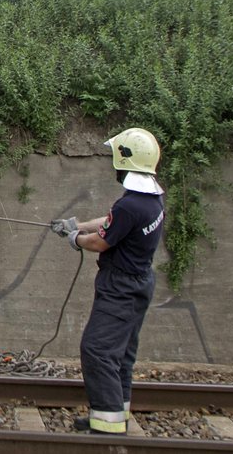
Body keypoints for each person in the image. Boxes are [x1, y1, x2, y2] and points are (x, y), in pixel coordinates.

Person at [49, 128, 165, 436]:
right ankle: (114, 413)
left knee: (97, 349)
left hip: (121, 287)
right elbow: (113, 222)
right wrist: (76, 225)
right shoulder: (150, 199)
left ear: (125, 160)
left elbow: (102, 242)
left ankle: (108, 427)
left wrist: (77, 239)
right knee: (120, 353)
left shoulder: (130, 204)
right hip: (139, 282)